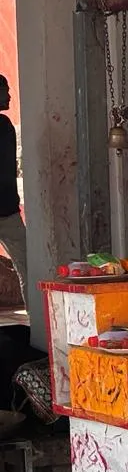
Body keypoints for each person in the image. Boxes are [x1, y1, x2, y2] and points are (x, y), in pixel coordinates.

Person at [0, 75, 23, 309]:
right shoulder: (4, 127)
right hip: (6, 210)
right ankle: (37, 322)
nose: (9, 96)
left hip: (7, 207)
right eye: (4, 91)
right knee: (26, 266)